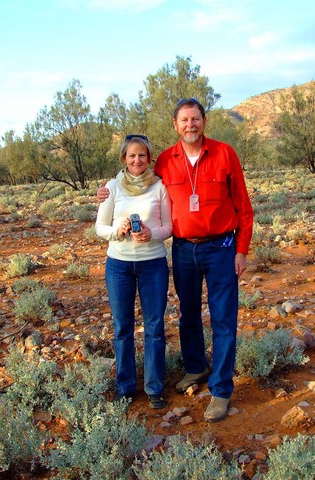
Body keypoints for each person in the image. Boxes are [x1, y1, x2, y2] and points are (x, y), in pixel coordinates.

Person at [98, 98, 254, 422]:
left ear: (204, 121)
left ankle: (221, 390)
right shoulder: (167, 160)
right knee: (189, 314)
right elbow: (134, 175)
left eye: (195, 119)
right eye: (184, 120)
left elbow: (243, 205)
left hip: (221, 247)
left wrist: (241, 251)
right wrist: (106, 191)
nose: (190, 125)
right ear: (176, 125)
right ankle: (196, 367)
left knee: (224, 319)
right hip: (183, 248)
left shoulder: (225, 154)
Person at [95, 134, 172, 409]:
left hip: (153, 264)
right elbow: (100, 227)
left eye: (142, 155)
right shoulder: (112, 188)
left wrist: (152, 234)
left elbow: (169, 227)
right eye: (131, 156)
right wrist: (118, 231)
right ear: (124, 159)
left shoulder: (160, 187)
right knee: (122, 327)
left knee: (154, 327)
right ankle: (125, 387)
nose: (137, 160)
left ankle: (154, 388)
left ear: (149, 158)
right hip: (119, 265)